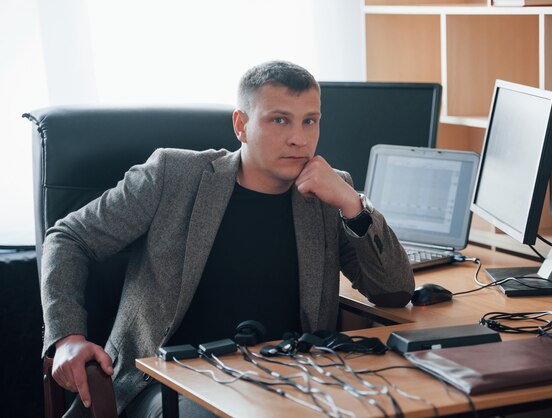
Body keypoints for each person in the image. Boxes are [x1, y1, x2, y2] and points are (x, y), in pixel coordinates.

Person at [41, 60, 414, 417]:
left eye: (310, 121)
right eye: (279, 120)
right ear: (241, 124)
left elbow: (394, 292)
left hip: (291, 376)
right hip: (171, 381)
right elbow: (69, 237)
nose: (299, 139)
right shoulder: (172, 176)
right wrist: (68, 337)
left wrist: (353, 205)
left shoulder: (330, 194)